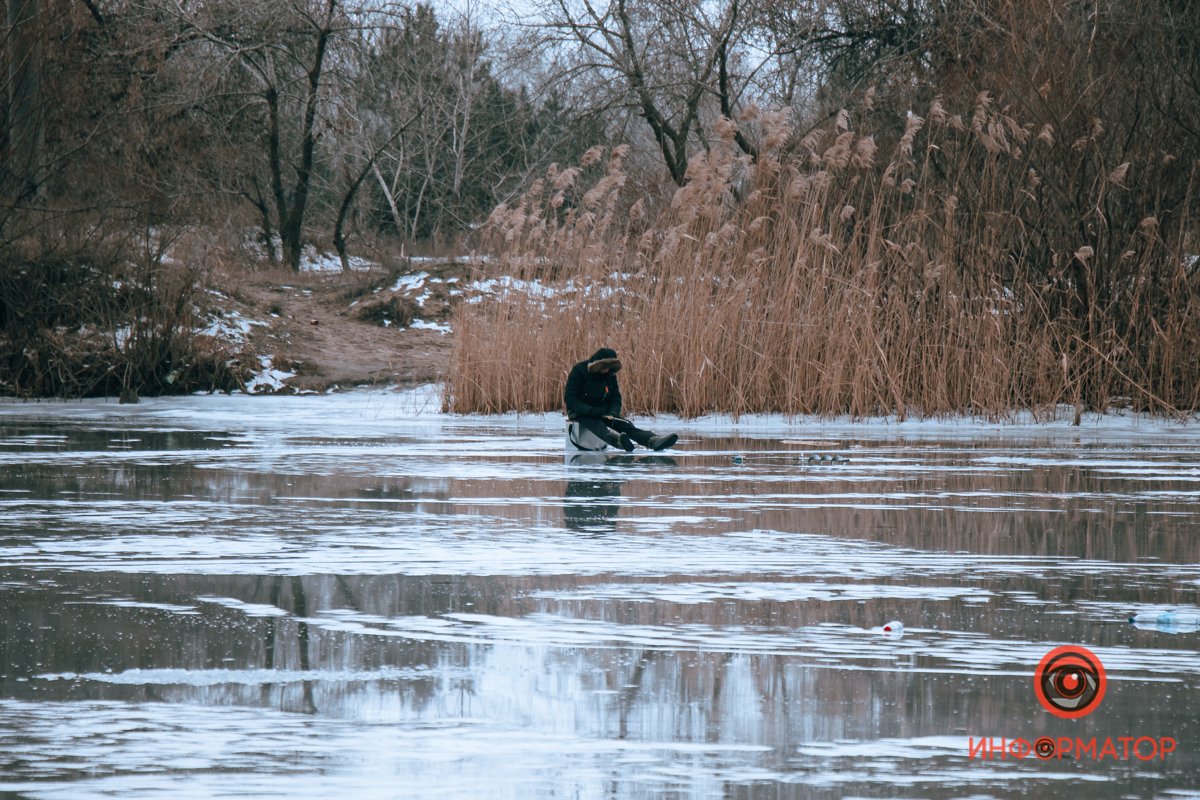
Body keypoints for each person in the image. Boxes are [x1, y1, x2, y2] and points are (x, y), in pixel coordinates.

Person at [564, 347, 678, 452]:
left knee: (625, 425)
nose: (606, 370)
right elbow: (570, 398)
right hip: (580, 412)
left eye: (609, 367)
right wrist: (591, 411)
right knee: (599, 427)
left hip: (602, 411)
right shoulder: (579, 371)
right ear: (597, 364)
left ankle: (653, 440)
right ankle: (619, 441)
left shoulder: (609, 375)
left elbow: (615, 398)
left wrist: (613, 412)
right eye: (604, 367)